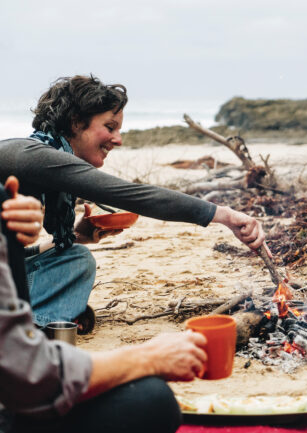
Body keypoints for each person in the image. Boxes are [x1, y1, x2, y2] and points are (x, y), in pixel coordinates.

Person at [0, 75, 270, 329]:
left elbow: (11, 252)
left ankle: (43, 319)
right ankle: (32, 329)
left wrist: (77, 236)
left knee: (72, 256)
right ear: (75, 122)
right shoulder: (32, 156)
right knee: (77, 263)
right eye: (109, 127)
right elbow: (130, 195)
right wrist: (223, 215)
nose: (118, 139)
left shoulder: (41, 157)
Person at [0, 177, 208, 433]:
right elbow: (29, 378)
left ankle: (34, 327)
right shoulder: (41, 157)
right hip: (18, 384)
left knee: (78, 257)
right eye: (112, 132)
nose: (117, 140)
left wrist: (12, 240)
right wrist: (149, 357)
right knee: (151, 400)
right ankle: (36, 329)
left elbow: (22, 260)